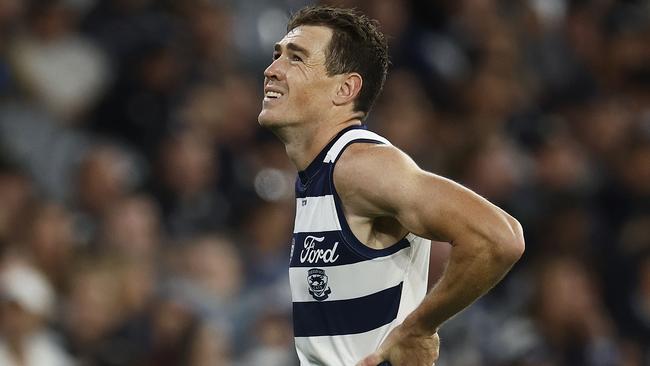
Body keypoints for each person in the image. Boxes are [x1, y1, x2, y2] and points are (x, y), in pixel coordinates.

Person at [257, 5, 525, 366]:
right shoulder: (320, 174)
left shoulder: (359, 165)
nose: (272, 70)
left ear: (345, 88)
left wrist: (419, 328)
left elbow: (500, 237)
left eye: (296, 58)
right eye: (277, 56)